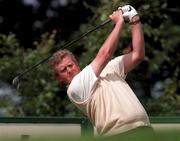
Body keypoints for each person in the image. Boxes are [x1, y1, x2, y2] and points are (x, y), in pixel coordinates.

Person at [49, 5, 152, 138]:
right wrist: (119, 22)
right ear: (59, 78)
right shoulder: (75, 88)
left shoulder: (109, 68)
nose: (69, 70)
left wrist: (135, 19)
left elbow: (138, 55)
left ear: (76, 64)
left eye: (70, 65)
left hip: (144, 130)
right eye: (63, 70)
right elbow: (105, 54)